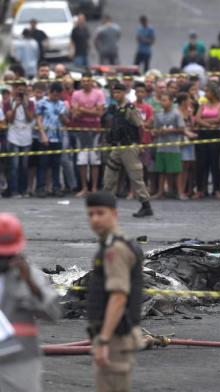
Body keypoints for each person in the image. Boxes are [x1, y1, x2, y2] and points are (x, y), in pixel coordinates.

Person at [85, 192, 145, 392]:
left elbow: (118, 297)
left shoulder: (115, 250)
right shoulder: (116, 244)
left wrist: (103, 340)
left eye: (100, 213)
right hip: (116, 336)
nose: (95, 219)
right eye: (91, 214)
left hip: (114, 338)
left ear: (114, 214)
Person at [0, 213, 61, 392]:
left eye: (8, 256)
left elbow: (53, 314)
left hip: (20, 359)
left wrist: (30, 284)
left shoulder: (29, 275)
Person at [103, 83, 153, 218]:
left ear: (124, 93)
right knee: (109, 176)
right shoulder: (114, 108)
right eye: (114, 93)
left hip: (129, 147)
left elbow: (140, 126)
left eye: (118, 93)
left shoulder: (130, 108)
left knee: (136, 177)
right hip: (117, 146)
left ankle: (146, 205)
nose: (115, 95)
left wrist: (140, 144)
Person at [71, 72, 105, 197]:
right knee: (82, 160)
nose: (86, 83)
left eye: (88, 80)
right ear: (81, 82)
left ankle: (94, 187)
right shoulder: (76, 94)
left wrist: (83, 110)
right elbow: (74, 114)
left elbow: (100, 113)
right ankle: (85, 188)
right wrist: (92, 111)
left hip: (95, 129)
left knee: (95, 160)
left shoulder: (99, 93)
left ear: (92, 81)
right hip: (81, 129)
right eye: (83, 80)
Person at [194, 81, 220, 199]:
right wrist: (208, 125)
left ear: (213, 92)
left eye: (207, 91)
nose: (205, 93)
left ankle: (217, 189)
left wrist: (204, 121)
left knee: (215, 163)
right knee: (201, 163)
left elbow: (219, 119)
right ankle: (200, 189)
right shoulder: (203, 103)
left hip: (215, 135)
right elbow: (196, 119)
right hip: (203, 134)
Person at [4, 80, 35, 197]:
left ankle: (24, 189)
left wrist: (25, 106)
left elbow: (30, 119)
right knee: (14, 165)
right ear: (15, 90)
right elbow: (9, 119)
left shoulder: (31, 103)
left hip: (26, 135)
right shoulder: (8, 103)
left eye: (23, 90)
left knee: (24, 165)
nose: (21, 92)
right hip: (13, 136)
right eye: (18, 90)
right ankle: (14, 190)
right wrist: (16, 106)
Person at [151, 93, 185, 199]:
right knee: (161, 170)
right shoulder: (158, 114)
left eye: (165, 100)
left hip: (173, 146)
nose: (163, 102)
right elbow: (154, 129)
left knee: (177, 170)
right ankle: (160, 192)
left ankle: (180, 192)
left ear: (171, 101)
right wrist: (157, 132)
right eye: (161, 100)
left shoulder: (176, 114)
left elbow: (182, 129)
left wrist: (171, 130)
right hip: (161, 146)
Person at [176, 92, 197, 200]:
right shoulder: (176, 112)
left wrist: (191, 115)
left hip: (189, 140)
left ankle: (183, 190)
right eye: (189, 99)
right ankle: (179, 191)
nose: (190, 102)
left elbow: (192, 126)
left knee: (187, 166)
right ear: (183, 101)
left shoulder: (189, 112)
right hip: (180, 141)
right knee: (181, 167)